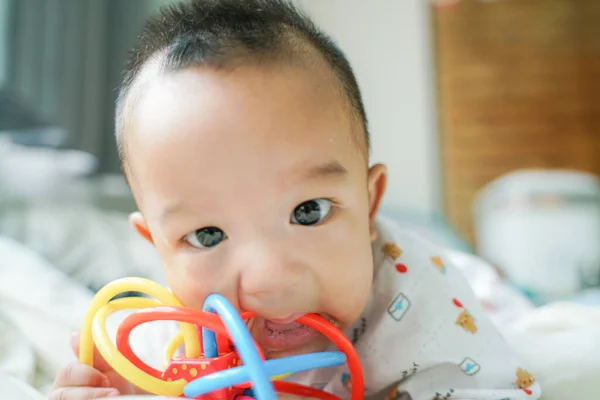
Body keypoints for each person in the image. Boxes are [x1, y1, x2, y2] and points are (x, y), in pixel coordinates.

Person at [49, 0, 541, 399]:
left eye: (308, 212)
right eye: (207, 235)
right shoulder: (170, 332)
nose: (269, 279)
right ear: (157, 247)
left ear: (370, 206)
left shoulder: (420, 313)